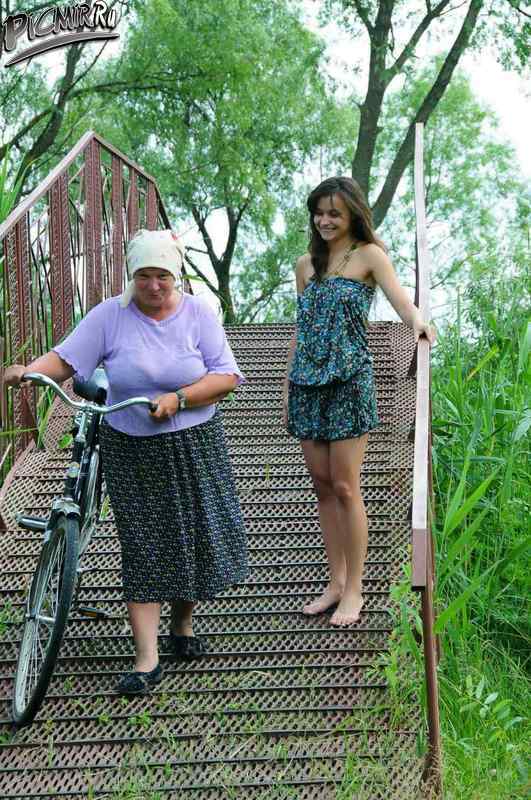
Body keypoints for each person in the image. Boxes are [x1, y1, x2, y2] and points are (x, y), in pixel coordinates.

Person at [4, 229, 248, 694]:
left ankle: (182, 625)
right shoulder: (109, 316)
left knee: (192, 534)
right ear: (131, 276)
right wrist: (27, 372)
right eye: (143, 276)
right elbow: (66, 359)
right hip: (131, 445)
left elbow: (227, 376)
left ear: (176, 276)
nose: (153, 286)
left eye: (162, 276)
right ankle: (146, 659)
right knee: (144, 543)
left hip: (194, 440)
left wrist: (179, 398)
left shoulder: (198, 313)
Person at [283, 176, 435, 627]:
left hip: (349, 381)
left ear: (352, 214)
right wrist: (287, 386)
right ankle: (335, 582)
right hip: (307, 383)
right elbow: (302, 329)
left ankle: (355, 588)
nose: (325, 220)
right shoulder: (305, 266)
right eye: (319, 213)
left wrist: (418, 323)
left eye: (334, 213)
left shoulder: (370, 255)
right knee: (322, 486)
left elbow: (401, 302)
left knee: (346, 486)